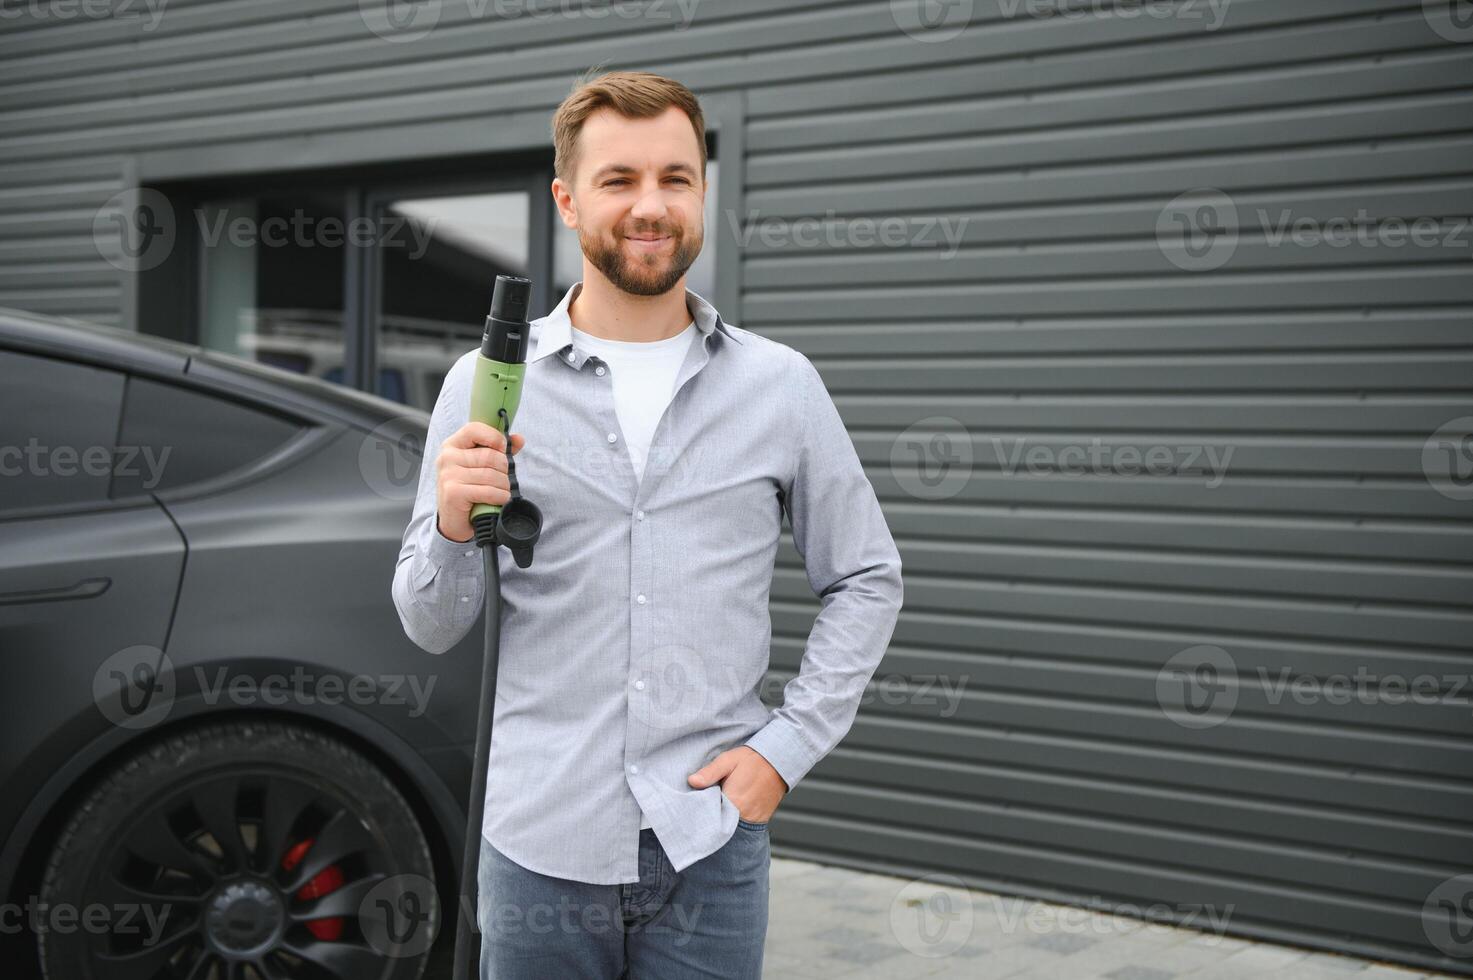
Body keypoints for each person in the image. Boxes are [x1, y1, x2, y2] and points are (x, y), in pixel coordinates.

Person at [391, 68, 903, 980]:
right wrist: (453, 525)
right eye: (618, 179)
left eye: (674, 177)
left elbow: (864, 578)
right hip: (538, 848)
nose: (649, 205)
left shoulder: (779, 387)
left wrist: (781, 754)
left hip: (708, 848)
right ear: (567, 199)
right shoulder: (486, 383)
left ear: (702, 192)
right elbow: (431, 624)